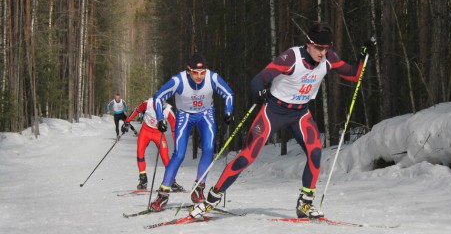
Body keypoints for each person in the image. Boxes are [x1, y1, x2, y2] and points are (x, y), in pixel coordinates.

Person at [190, 22, 376, 220]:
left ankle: (305, 203)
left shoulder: (328, 59)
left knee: (315, 152)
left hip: (300, 113)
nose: (323, 53)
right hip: (274, 111)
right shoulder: (291, 58)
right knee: (247, 156)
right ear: (309, 44)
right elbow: (258, 79)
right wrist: (260, 91)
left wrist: (364, 57)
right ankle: (211, 199)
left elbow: (354, 75)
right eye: (319, 48)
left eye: (326, 48)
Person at [148, 53, 234, 212]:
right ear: (189, 71)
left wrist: (228, 111)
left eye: (202, 73)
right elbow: (158, 97)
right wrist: (160, 118)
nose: (199, 77)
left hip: (205, 114)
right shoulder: (178, 80)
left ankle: (199, 188)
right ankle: (163, 194)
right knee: (179, 154)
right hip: (184, 115)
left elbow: (228, 93)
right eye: (195, 73)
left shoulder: (212, 78)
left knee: (209, 148)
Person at [123, 98, 184, 191]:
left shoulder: (168, 110)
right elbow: (137, 110)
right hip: (145, 131)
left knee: (165, 157)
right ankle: (143, 179)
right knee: (140, 152)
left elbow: (174, 128)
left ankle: (171, 181)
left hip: (158, 133)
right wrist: (127, 121)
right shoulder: (148, 103)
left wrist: (177, 143)